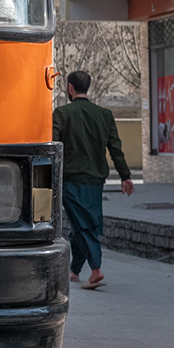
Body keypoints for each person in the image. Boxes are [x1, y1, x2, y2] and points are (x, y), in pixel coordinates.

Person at [52, 70, 133, 290]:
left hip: (70, 180)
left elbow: (52, 148)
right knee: (84, 223)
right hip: (96, 181)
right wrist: (125, 176)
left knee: (83, 225)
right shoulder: (104, 115)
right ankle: (75, 270)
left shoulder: (61, 114)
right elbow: (116, 149)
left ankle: (96, 270)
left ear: (70, 87)